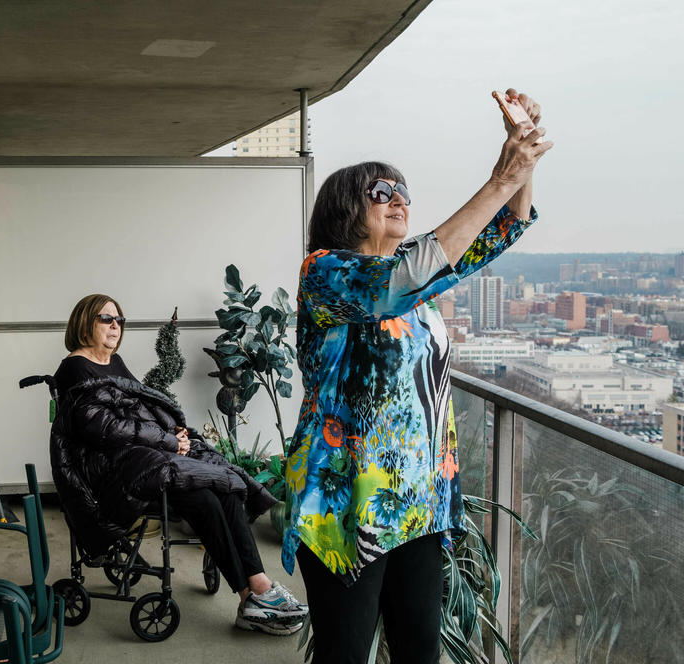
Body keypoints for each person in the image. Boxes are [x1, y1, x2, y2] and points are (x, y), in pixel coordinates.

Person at [281, 89, 553, 663]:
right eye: (382, 192)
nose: (399, 199)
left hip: (420, 506)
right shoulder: (326, 274)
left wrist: (519, 158)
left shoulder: (418, 293)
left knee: (419, 654)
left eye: (403, 190)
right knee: (345, 654)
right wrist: (500, 178)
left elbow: (507, 227)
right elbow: (396, 282)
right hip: (347, 506)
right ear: (344, 208)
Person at [51, 293, 309, 635]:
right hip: (113, 472)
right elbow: (103, 429)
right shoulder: (74, 367)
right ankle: (253, 596)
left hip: (144, 457)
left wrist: (176, 434)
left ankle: (256, 587)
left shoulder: (114, 361)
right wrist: (169, 441)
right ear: (85, 322)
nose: (115, 326)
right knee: (203, 496)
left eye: (120, 321)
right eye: (106, 319)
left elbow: (140, 411)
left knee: (224, 484)